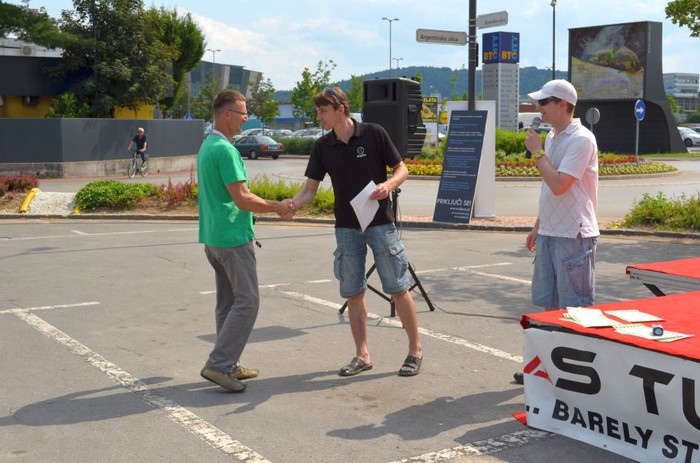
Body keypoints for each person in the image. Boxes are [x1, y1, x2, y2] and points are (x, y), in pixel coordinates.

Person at [287, 86, 423, 377]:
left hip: (380, 223)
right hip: (346, 227)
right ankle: (362, 355)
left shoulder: (374, 133)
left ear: (340, 110)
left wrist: (388, 185)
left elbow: (402, 169)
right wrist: (292, 205)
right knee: (353, 292)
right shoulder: (323, 146)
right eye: (318, 111)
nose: (318, 117)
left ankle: (415, 350)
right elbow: (310, 189)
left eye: (323, 111)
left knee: (398, 288)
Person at [197, 90, 293, 392]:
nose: (246, 118)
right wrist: (278, 206)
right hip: (232, 237)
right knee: (248, 301)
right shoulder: (226, 151)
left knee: (227, 303)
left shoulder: (207, 145)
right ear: (227, 114)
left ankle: (229, 364)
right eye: (242, 113)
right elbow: (242, 198)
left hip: (214, 237)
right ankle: (219, 364)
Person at [516, 79, 599, 384]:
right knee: (549, 306)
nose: (538, 108)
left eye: (543, 102)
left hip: (574, 235)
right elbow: (548, 187)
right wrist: (539, 226)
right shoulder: (552, 136)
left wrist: (537, 153)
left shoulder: (581, 139)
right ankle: (549, 369)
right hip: (551, 232)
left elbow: (561, 184)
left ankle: (582, 375)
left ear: (563, 104)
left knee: (576, 308)